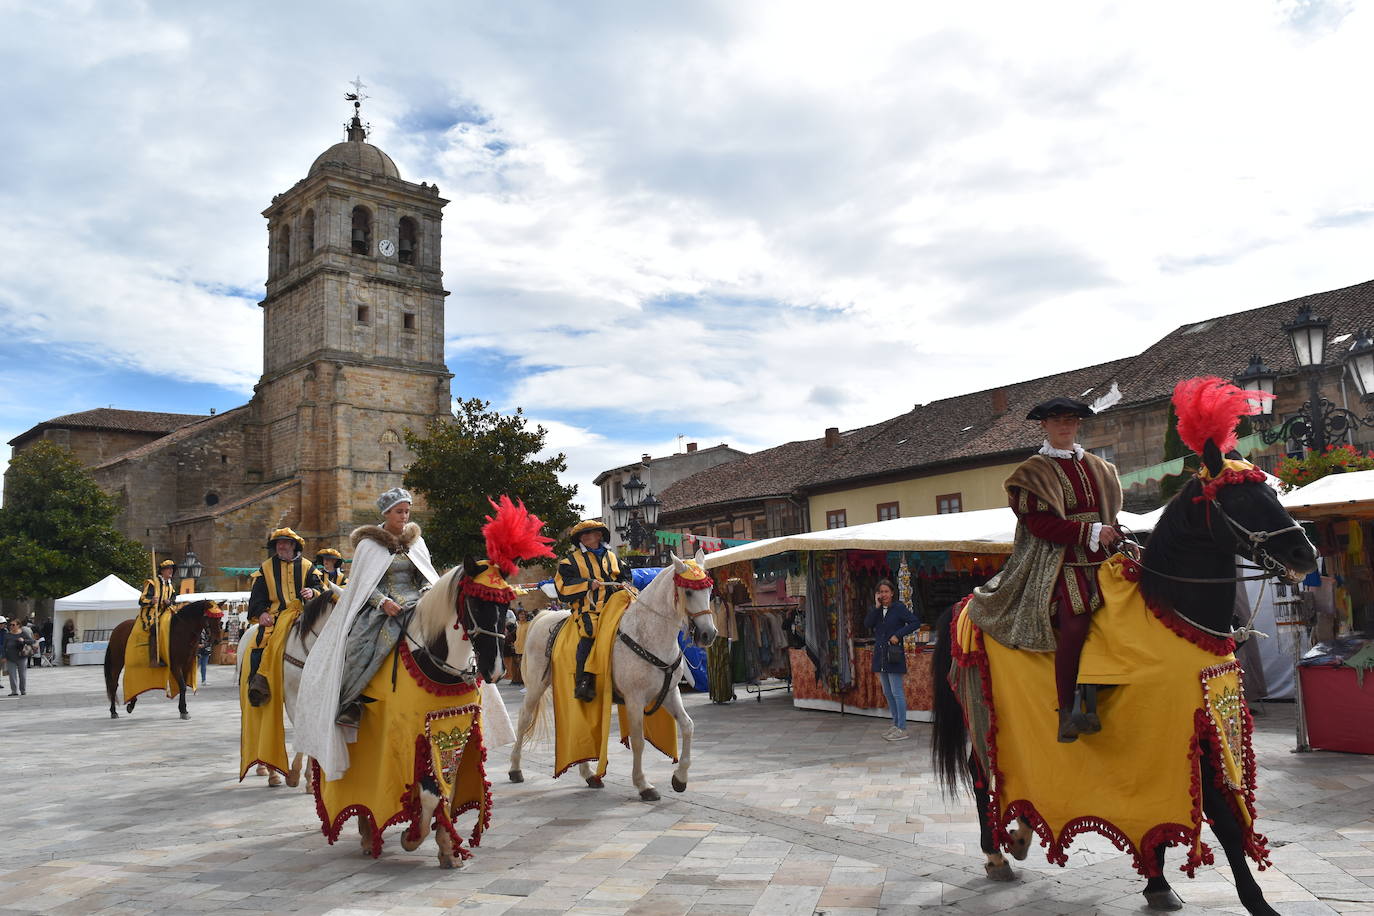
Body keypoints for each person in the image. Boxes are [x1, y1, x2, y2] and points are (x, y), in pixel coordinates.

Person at [963, 397, 1122, 743]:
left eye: (1070, 420)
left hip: (1104, 558)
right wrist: (1088, 531)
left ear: (1078, 424)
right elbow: (1038, 524)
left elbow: (1110, 515)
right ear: (1044, 426)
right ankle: (1067, 711)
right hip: (1058, 562)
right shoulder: (1031, 473)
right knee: (1075, 623)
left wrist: (1115, 534)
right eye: (1057, 421)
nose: (1064, 426)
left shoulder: (1100, 467)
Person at [555, 519, 632, 702]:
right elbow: (563, 587)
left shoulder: (613, 557)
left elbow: (626, 576)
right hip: (588, 608)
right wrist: (588, 584)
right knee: (590, 631)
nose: (586, 537)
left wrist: (625, 585)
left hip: (615, 605)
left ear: (599, 536)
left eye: (590, 533)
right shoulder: (569, 562)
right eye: (583, 535)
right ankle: (584, 681)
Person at [244, 528, 323, 703]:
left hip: (304, 613)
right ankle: (257, 682)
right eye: (278, 543)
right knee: (261, 639)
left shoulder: (308, 567)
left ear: (293, 545)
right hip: (276, 615)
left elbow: (321, 589)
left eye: (285, 543)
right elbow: (256, 596)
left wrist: (312, 591)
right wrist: (261, 613)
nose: (281, 546)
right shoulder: (266, 568)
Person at [864, 579, 920, 741]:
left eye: (886, 591)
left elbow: (914, 622)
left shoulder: (899, 608)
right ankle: (895, 724)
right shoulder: (877, 610)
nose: (883, 595)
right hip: (881, 655)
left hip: (893, 654)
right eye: (880, 592)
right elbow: (868, 623)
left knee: (897, 692)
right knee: (888, 692)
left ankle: (902, 727)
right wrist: (876, 606)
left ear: (892, 593)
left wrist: (898, 635)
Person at [139, 560, 178, 667]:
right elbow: (141, 600)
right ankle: (153, 658)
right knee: (155, 628)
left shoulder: (170, 586)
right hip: (151, 613)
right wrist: (151, 601)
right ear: (162, 571)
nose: (171, 571)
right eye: (169, 569)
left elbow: (174, 599)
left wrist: (169, 602)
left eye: (172, 569)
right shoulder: (153, 583)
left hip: (165, 613)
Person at [4, 619, 36, 696]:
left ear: (18, 625)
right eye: (10, 625)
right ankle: (14, 691)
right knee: (12, 675)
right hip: (10, 657)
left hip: (22, 657)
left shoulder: (23, 633)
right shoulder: (8, 635)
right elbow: (4, 646)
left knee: (22, 674)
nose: (11, 626)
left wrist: (23, 640)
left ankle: (23, 690)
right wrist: (4, 656)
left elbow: (32, 641)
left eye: (13, 625)